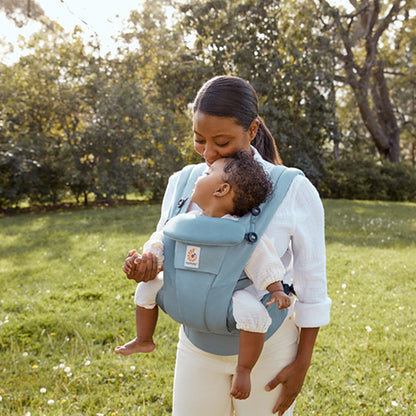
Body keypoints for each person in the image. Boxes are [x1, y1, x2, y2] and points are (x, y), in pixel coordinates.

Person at [123, 75, 331, 416]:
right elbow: (165, 247)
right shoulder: (183, 183)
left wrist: (301, 364)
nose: (208, 153)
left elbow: (312, 286)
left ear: (252, 130)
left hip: (268, 351)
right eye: (199, 140)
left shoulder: (292, 189)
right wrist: (147, 265)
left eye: (221, 141)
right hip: (196, 348)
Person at [116, 151, 291, 400]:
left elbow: (264, 260)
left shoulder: (241, 233)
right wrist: (145, 261)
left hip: (225, 300)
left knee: (255, 316)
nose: (201, 173)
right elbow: (160, 242)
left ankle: (243, 369)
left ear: (221, 189)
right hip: (182, 292)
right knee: (146, 288)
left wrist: (276, 290)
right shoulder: (182, 222)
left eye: (208, 173)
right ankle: (144, 338)